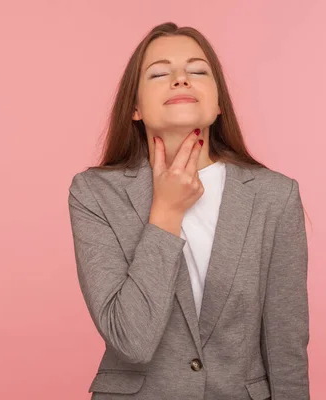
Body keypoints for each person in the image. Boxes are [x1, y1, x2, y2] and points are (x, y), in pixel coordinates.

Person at [68, 21, 310, 400]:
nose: (181, 79)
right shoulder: (95, 193)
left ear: (218, 105)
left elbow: (286, 344)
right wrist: (165, 212)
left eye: (197, 71)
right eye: (160, 73)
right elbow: (131, 340)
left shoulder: (274, 196)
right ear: (134, 107)